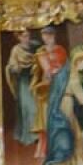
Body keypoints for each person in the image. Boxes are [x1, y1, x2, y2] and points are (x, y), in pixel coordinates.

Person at [32, 27, 68, 157]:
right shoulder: (40, 52)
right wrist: (47, 73)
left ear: (53, 36)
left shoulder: (60, 50)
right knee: (45, 117)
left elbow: (65, 67)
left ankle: (58, 147)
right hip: (46, 87)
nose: (46, 39)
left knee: (58, 115)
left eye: (49, 36)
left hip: (59, 85)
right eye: (44, 36)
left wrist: (57, 71)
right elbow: (40, 70)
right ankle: (44, 148)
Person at [4, 30, 42, 146]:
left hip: (35, 79)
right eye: (24, 36)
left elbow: (41, 58)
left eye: (28, 36)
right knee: (28, 108)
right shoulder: (16, 50)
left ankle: (39, 134)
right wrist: (16, 68)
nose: (26, 38)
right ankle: (31, 136)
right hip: (24, 81)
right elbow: (11, 65)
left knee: (38, 107)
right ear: (19, 37)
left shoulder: (34, 46)